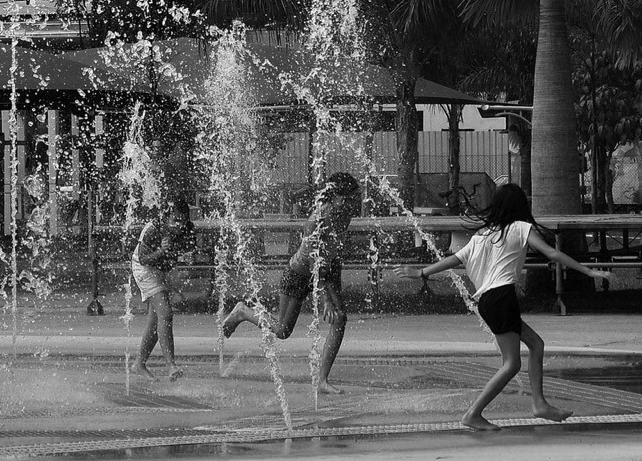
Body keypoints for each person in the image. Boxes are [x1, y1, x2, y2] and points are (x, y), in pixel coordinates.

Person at [394, 183, 613, 431]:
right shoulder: (521, 228)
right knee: (512, 364)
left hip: (488, 301)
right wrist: (588, 271)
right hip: (501, 297)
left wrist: (421, 272)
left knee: (536, 344)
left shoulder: (484, 234)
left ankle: (539, 404)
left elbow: (455, 259)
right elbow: (552, 254)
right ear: (520, 206)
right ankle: (473, 413)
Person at [221, 172, 361, 395]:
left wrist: (334, 285)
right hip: (298, 273)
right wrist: (326, 298)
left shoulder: (344, 214)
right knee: (283, 330)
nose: (357, 201)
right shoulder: (316, 221)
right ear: (339, 198)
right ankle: (243, 312)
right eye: (353, 197)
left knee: (340, 319)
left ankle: (321, 380)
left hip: (327, 270)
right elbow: (315, 260)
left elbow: (333, 252)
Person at [130, 198, 196, 382]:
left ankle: (139, 364)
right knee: (166, 313)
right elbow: (143, 259)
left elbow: (188, 247)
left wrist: (185, 251)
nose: (179, 225)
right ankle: (171, 366)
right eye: (175, 220)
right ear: (167, 216)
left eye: (182, 220)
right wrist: (161, 251)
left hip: (160, 270)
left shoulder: (187, 228)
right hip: (144, 269)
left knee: (155, 321)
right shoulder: (153, 229)